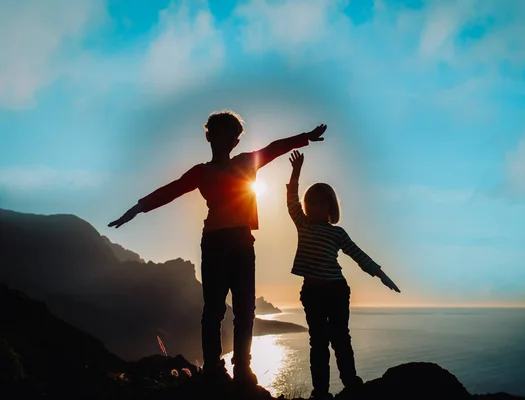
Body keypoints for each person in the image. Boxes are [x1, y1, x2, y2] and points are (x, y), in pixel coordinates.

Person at [108, 111, 327, 385]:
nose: (224, 140)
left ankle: (242, 369)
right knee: (214, 309)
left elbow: (274, 148)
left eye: (230, 136)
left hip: (241, 242)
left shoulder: (246, 162)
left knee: (245, 308)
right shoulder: (203, 172)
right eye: (219, 134)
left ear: (235, 142)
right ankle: (213, 366)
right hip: (215, 243)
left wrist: (305, 137)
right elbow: (171, 190)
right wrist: (138, 208)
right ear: (209, 136)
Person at [286, 150, 400, 399]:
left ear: (330, 207)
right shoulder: (302, 224)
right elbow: (291, 200)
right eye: (311, 202)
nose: (315, 207)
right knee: (317, 342)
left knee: (340, 338)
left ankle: (351, 382)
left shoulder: (338, 233)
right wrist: (296, 172)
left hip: (336, 290)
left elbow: (358, 255)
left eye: (321, 203)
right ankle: (321, 391)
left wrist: (381, 274)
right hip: (313, 292)